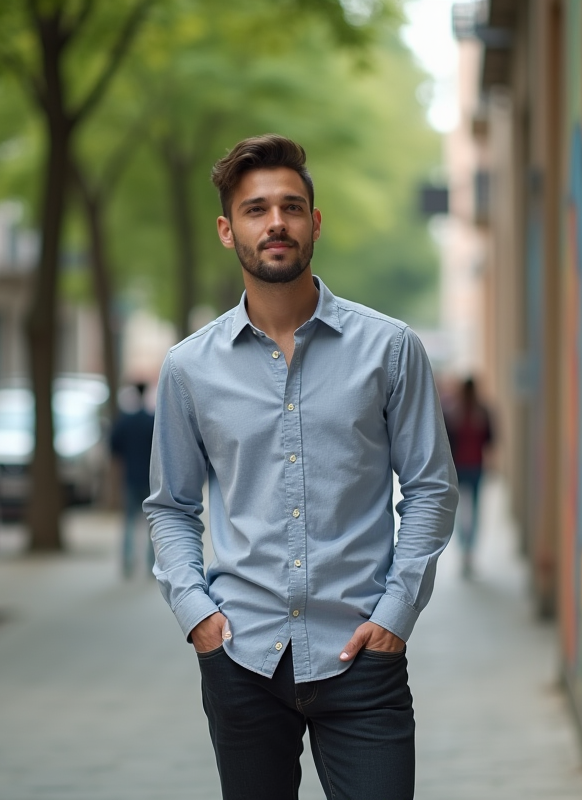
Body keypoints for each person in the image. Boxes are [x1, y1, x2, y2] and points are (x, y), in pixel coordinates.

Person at [145, 134, 459, 800]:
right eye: (256, 210)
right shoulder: (188, 368)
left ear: (315, 223)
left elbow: (431, 488)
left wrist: (397, 612)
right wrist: (197, 613)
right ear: (229, 231)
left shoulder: (391, 350)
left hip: (362, 656)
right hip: (241, 657)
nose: (276, 222)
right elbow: (171, 505)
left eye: (291, 206)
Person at [442, 377, 494, 577]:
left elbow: (445, 442)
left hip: (460, 468)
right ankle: (468, 550)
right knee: (473, 510)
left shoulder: (453, 413)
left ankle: (465, 549)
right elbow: (491, 439)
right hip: (474, 467)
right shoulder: (480, 412)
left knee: (458, 511)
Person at [109, 382, 156, 578]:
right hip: (151, 479)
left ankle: (128, 564)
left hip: (130, 478)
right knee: (152, 524)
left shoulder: (125, 421)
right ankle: (151, 565)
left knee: (129, 522)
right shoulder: (151, 420)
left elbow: (113, 446)